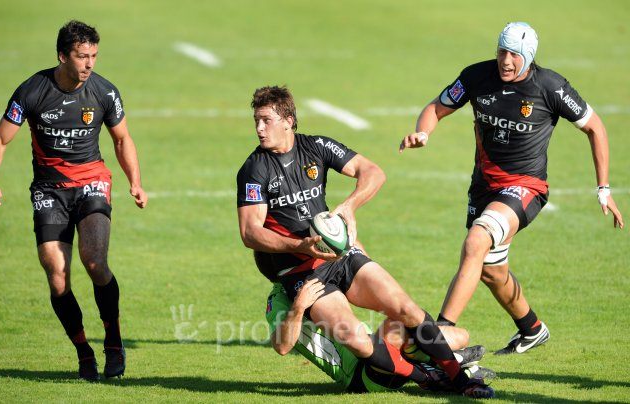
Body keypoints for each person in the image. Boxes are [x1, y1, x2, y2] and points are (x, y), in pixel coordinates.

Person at [237, 85, 493, 398]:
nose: (259, 128)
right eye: (257, 121)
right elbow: (250, 232)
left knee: (407, 309)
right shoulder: (254, 169)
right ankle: (427, 376)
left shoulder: (315, 146)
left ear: (288, 120)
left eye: (266, 120)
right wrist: (298, 247)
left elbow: (372, 172)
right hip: (303, 273)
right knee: (356, 339)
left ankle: (460, 380)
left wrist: (350, 206)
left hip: (341, 255)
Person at [399, 22, 624, 355]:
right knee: (491, 270)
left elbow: (595, 127)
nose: (506, 60)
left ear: (528, 56)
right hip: (484, 187)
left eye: (515, 55)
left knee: (476, 242)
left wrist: (603, 188)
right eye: (502, 51)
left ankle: (440, 335)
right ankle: (532, 329)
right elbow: (436, 108)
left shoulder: (551, 87)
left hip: (526, 186)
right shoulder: (476, 76)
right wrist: (423, 133)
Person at [0, 20, 147, 381]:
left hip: (92, 183)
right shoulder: (31, 91)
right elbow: (0, 139)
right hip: (49, 191)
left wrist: (136, 182)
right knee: (58, 279)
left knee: (94, 262)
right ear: (62, 56)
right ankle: (83, 352)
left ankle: (113, 341)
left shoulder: (104, 92)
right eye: (81, 56)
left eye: (94, 55)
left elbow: (122, 139)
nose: (89, 63)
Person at [266, 280, 495, 393]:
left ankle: (437, 362)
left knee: (460, 336)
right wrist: (299, 307)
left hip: (378, 347)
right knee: (398, 321)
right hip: (360, 373)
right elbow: (282, 347)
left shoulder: (314, 275)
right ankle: (441, 367)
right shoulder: (279, 300)